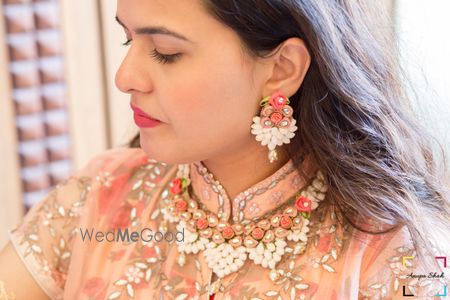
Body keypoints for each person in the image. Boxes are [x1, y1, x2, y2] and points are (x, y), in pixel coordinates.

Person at [1, 0, 450, 299]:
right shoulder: (100, 197)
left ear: (281, 69)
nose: (125, 77)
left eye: (164, 51)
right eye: (127, 39)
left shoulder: (396, 254)